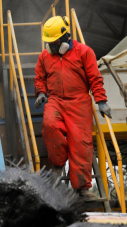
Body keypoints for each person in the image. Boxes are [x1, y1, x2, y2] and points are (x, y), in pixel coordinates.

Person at [33, 16, 111, 201]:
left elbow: (94, 77)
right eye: (49, 43)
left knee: (81, 145)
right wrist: (41, 93)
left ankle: (81, 189)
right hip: (56, 101)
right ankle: (59, 163)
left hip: (79, 102)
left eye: (53, 43)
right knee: (49, 125)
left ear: (63, 39)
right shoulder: (45, 56)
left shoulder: (84, 52)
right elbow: (39, 76)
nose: (50, 47)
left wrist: (101, 101)